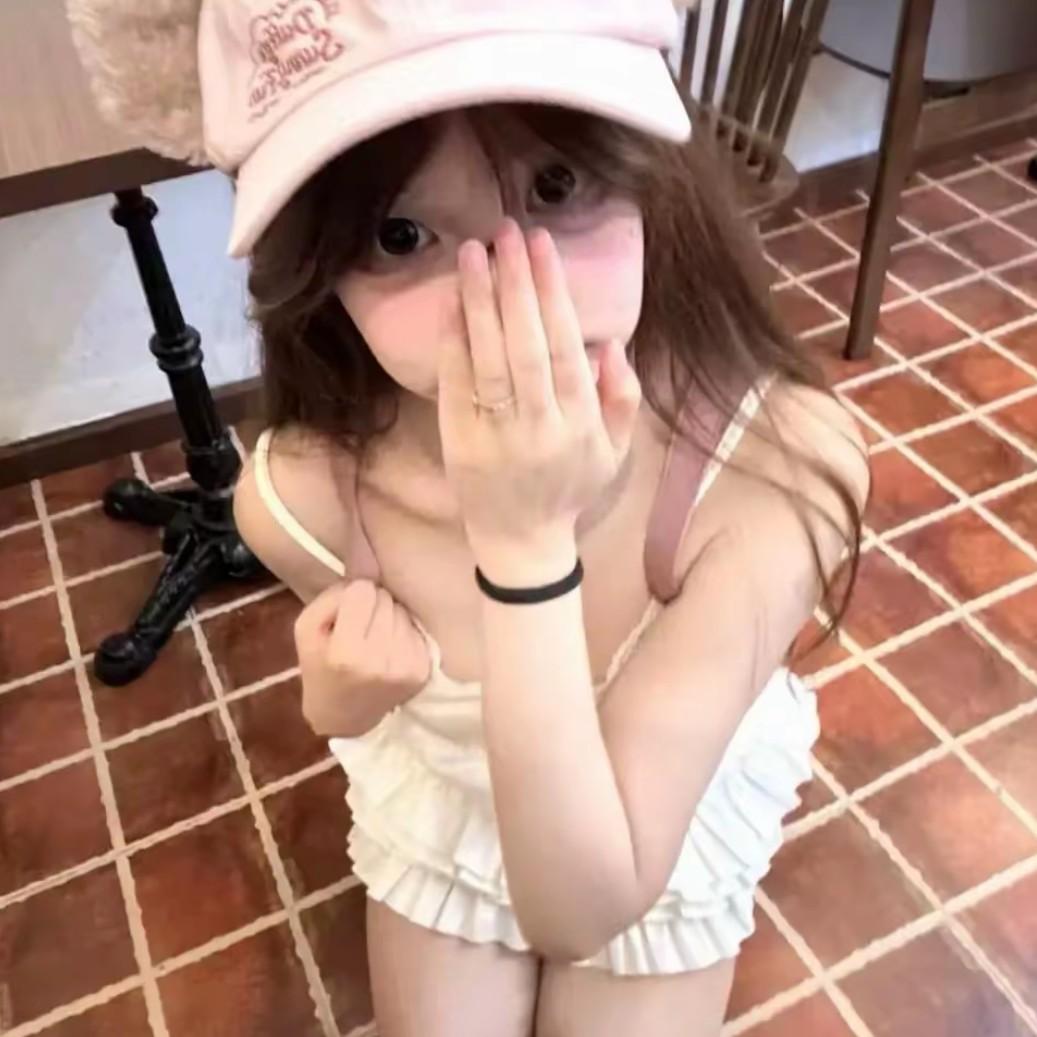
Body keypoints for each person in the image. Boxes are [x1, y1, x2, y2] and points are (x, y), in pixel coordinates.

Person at [70, 1, 869, 1033]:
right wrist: (337, 700)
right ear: (318, 274)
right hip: (454, 807)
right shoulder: (303, 498)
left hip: (650, 837)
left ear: (647, 175)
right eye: (400, 235)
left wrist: (524, 546)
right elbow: (367, 696)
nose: (508, 295)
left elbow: (586, 904)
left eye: (555, 186)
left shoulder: (773, 465)